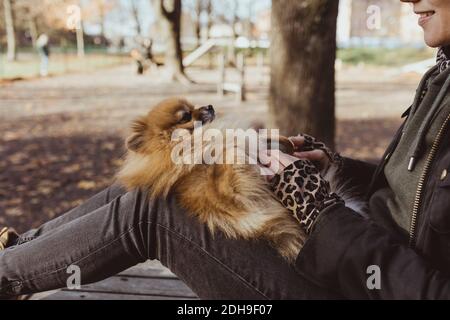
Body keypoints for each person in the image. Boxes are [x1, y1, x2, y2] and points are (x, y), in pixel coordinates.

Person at [1, 0, 450, 299]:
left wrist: (321, 213)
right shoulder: (441, 76)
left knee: (153, 211)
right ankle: (17, 250)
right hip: (345, 258)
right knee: (159, 178)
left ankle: (7, 275)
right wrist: (333, 166)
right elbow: (409, 201)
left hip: (350, 281)